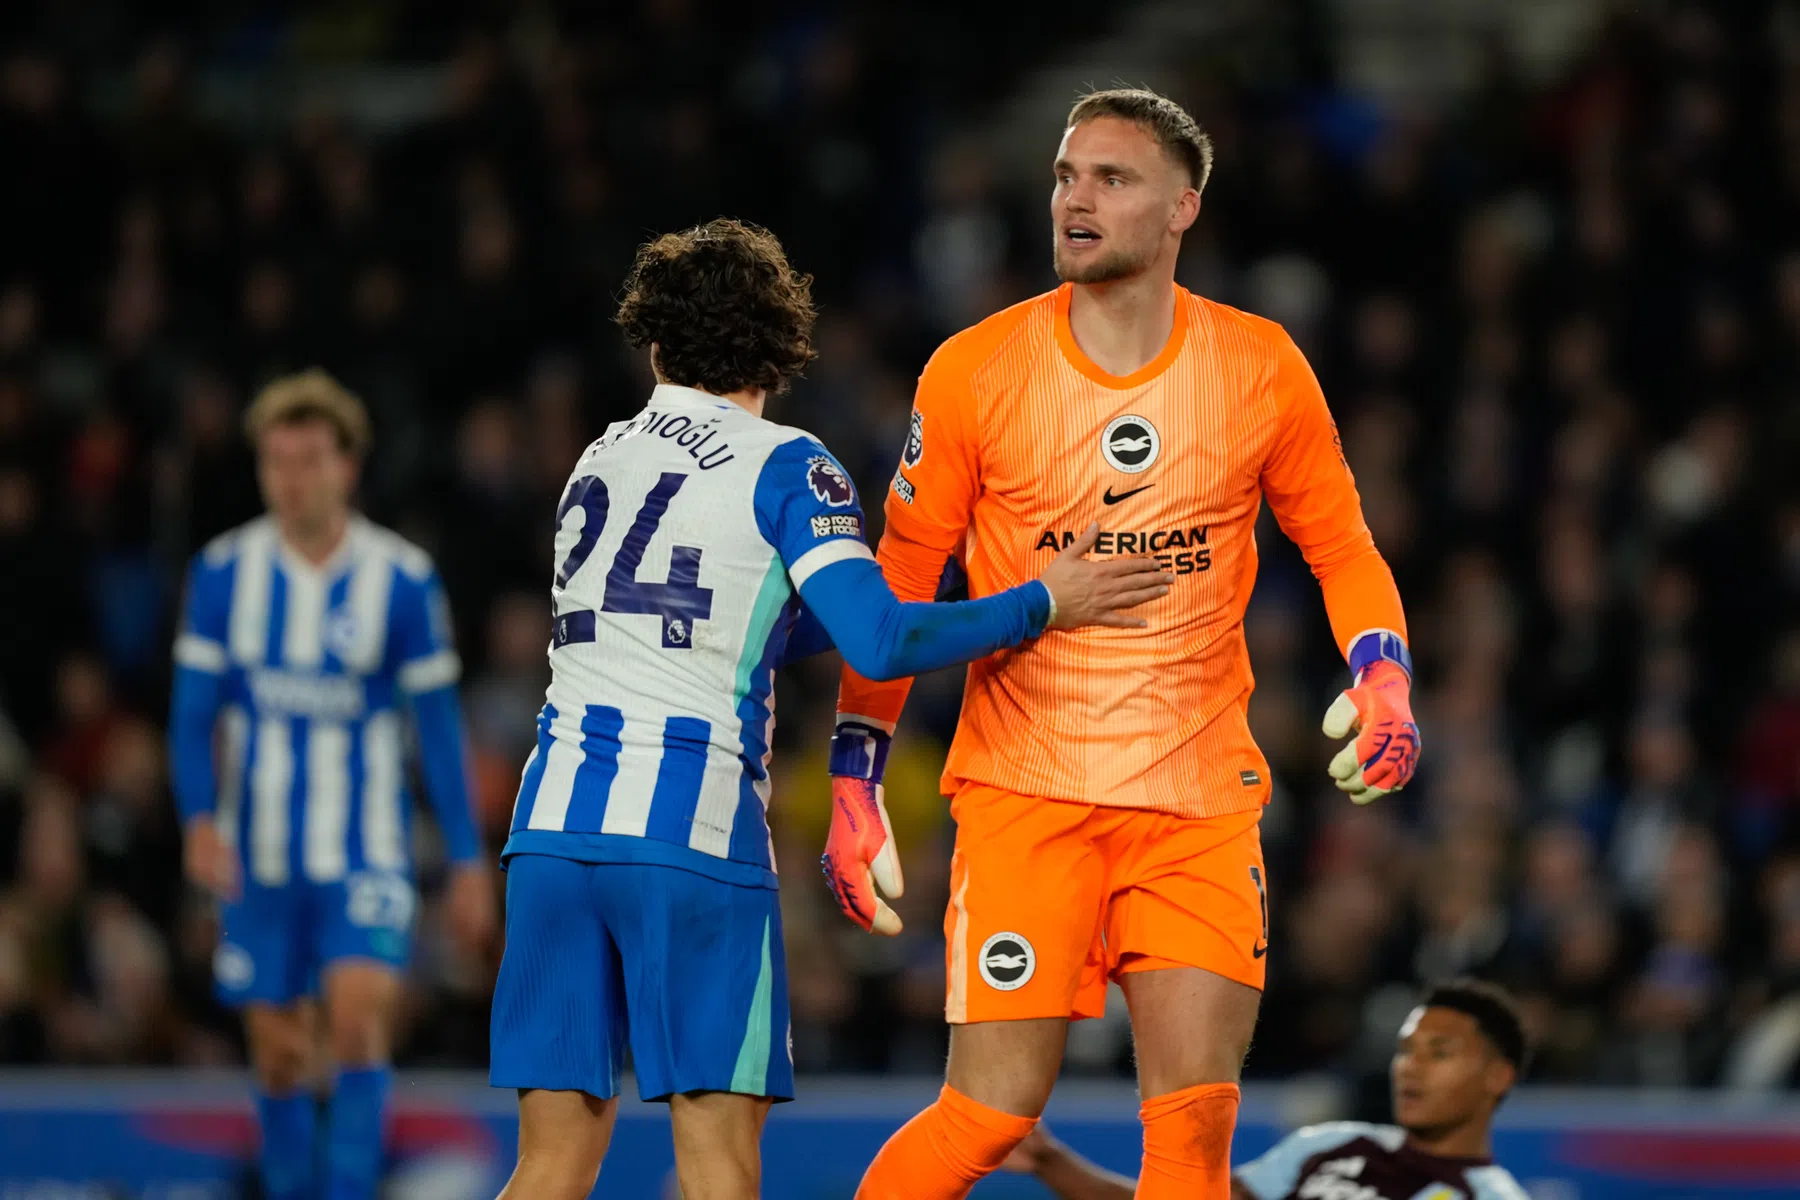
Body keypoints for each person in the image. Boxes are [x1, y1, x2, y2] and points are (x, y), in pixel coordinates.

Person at [485, 218, 1169, 1200]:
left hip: (551, 835)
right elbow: (877, 642)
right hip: (689, 838)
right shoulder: (787, 464)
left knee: (550, 1165)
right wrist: (1040, 602)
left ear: (654, 344)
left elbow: (736, 619)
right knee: (718, 1165)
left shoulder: (600, 457)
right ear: (779, 345)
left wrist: (945, 588)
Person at [828, 86, 1423, 1199]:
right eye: (1066, 175)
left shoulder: (1259, 365)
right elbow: (898, 586)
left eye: (1112, 178)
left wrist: (1383, 675)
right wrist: (856, 773)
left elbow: (1343, 548)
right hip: (1025, 799)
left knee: (1192, 1136)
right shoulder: (973, 370)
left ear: (1182, 207)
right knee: (988, 1116)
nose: (1076, 198)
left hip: (1196, 806)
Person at [168, 369, 496, 1200]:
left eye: (309, 460)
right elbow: (191, 716)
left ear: (347, 467)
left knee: (356, 1023)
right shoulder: (222, 573)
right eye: (276, 462)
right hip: (259, 855)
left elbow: (438, 730)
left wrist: (466, 859)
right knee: (279, 1054)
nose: (291, 479)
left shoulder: (403, 579)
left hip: (364, 849)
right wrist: (198, 819)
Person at [1001, 979, 1532, 1200]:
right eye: (1405, 1050)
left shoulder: (1491, 1196)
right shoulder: (1332, 1146)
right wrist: (1052, 1162)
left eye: (1440, 1053)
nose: (1410, 1069)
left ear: (1498, 1076)